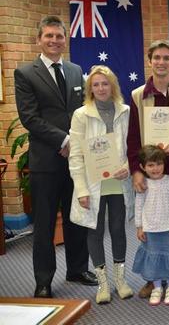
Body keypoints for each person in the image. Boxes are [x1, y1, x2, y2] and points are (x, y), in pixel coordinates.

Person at [14, 15, 97, 298]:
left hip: (75, 161)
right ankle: (43, 280)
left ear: (65, 39)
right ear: (39, 39)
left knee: (76, 218)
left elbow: (83, 110)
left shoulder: (75, 70)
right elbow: (29, 118)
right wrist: (64, 140)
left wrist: (77, 142)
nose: (54, 40)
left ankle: (77, 269)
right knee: (45, 224)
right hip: (46, 163)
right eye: (48, 36)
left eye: (59, 36)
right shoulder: (25, 74)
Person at [126, 40, 169, 298]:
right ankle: (152, 276)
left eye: (167, 58)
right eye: (157, 57)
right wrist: (136, 170)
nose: (162, 62)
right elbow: (132, 138)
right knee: (151, 227)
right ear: (150, 60)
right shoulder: (137, 96)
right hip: (150, 173)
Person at [68, 65, 133, 304]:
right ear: (90, 89)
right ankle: (103, 283)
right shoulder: (81, 114)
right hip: (93, 182)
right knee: (94, 232)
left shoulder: (125, 111)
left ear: (112, 85)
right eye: (95, 85)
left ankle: (121, 280)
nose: (101, 88)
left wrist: (127, 165)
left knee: (118, 230)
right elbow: (75, 155)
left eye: (105, 83)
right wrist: (82, 189)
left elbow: (131, 145)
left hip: (118, 181)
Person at [132, 145, 169, 306]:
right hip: (150, 230)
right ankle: (157, 287)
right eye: (150, 165)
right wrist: (139, 226)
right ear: (143, 167)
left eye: (159, 164)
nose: (155, 168)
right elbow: (138, 205)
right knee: (154, 258)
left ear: (164, 164)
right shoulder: (143, 184)